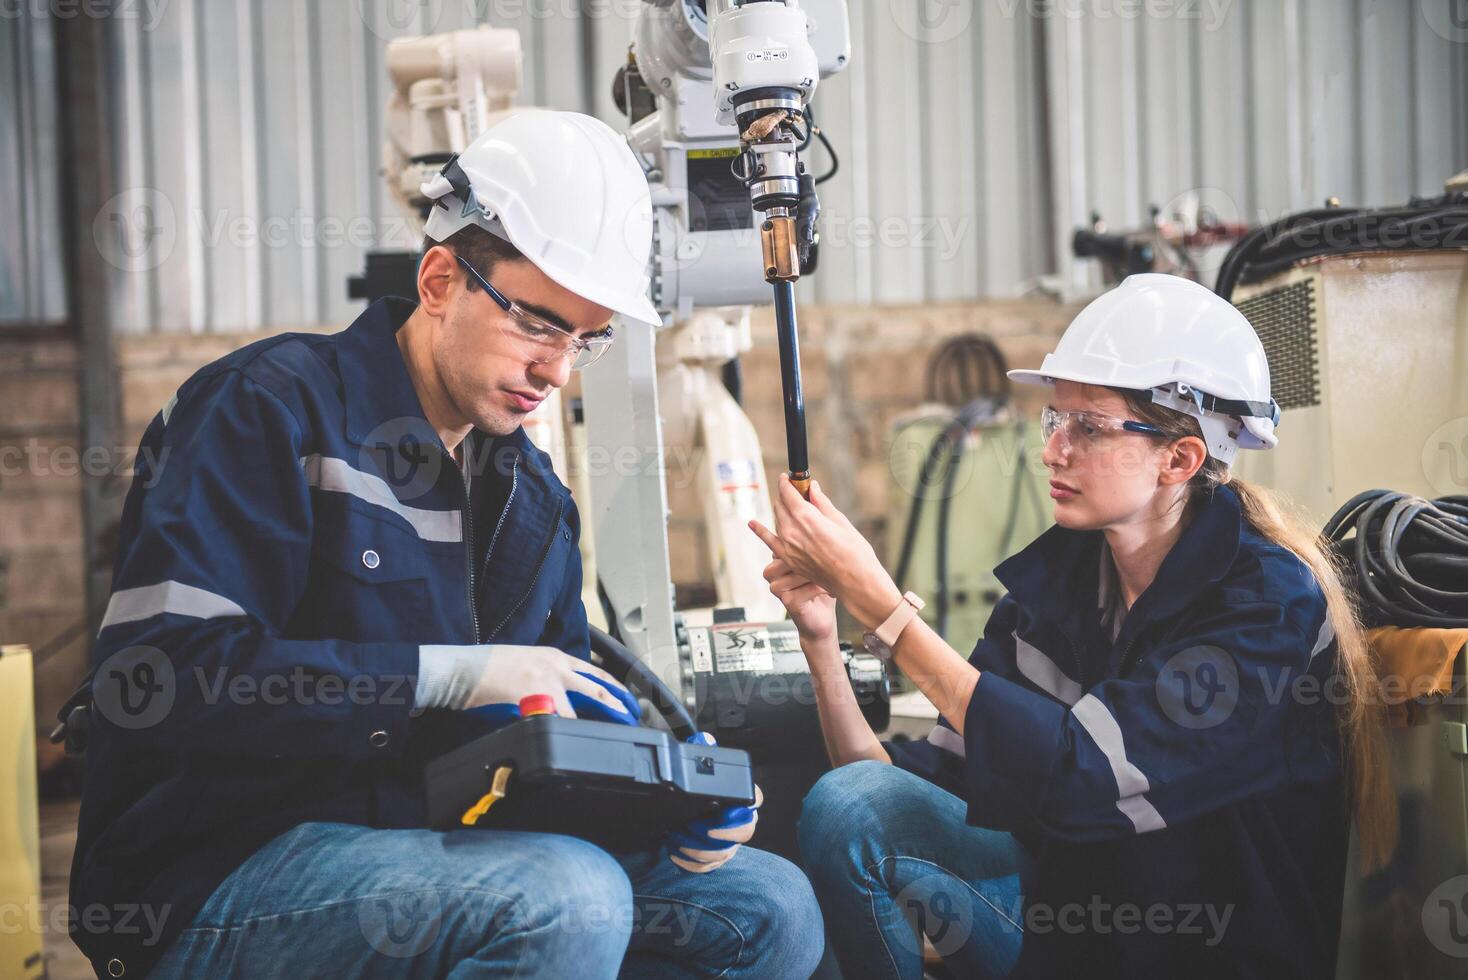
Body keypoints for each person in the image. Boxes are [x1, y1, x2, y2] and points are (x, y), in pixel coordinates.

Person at [69, 110, 821, 980]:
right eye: (538, 325)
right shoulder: (267, 410)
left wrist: (659, 804)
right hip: (218, 869)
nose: (559, 372)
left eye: (587, 339)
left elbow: (548, 753)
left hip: (433, 838)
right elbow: (162, 675)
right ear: (438, 280)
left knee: (767, 906)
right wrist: (444, 676)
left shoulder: (534, 502)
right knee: (566, 895)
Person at [750, 274, 1394, 979]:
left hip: (1210, 956)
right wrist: (821, 636)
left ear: (1180, 459)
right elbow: (891, 795)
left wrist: (885, 610)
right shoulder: (1053, 591)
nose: (1054, 450)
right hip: (1082, 936)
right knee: (847, 806)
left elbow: (1083, 776)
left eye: (1090, 427)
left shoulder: (1266, 604)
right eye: (1055, 420)